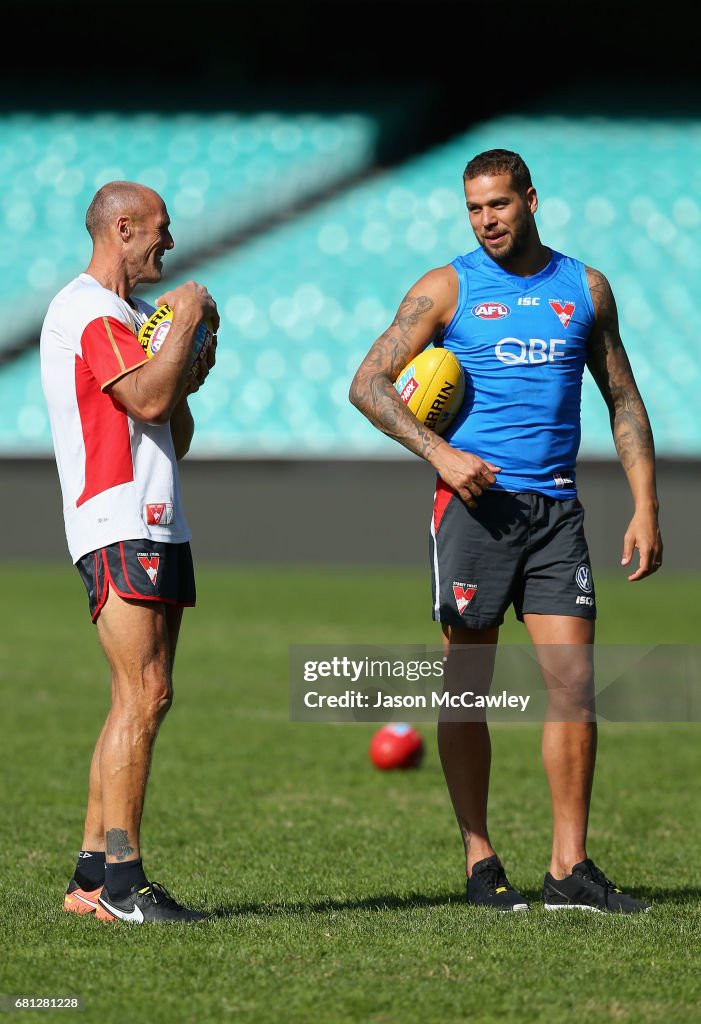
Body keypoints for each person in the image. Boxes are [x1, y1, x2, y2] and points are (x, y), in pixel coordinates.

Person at [349, 149, 663, 914]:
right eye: (473, 209)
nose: (486, 220)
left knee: (574, 687)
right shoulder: (444, 289)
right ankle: (479, 858)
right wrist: (441, 453)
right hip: (472, 511)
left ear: (528, 199)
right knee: (466, 690)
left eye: (498, 204)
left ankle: (568, 870)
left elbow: (621, 397)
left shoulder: (584, 289)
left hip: (557, 513)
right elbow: (367, 384)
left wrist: (646, 505)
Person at [40, 181, 219, 924]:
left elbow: (171, 428)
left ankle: (92, 875)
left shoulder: (134, 318)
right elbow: (143, 401)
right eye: (158, 230)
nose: (167, 244)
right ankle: (123, 885)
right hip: (117, 518)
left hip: (153, 518)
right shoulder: (87, 308)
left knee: (139, 696)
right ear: (122, 227)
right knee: (143, 695)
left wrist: (186, 362)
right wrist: (189, 314)